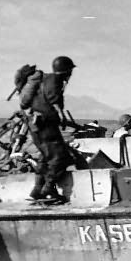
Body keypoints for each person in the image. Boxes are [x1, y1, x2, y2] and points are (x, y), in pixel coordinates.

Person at [23, 55, 78, 204]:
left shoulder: (44, 79)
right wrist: (61, 116)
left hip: (36, 125)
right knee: (60, 157)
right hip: (45, 124)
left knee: (45, 156)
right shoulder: (55, 80)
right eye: (70, 70)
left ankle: (37, 189)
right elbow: (53, 97)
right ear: (66, 70)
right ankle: (48, 189)